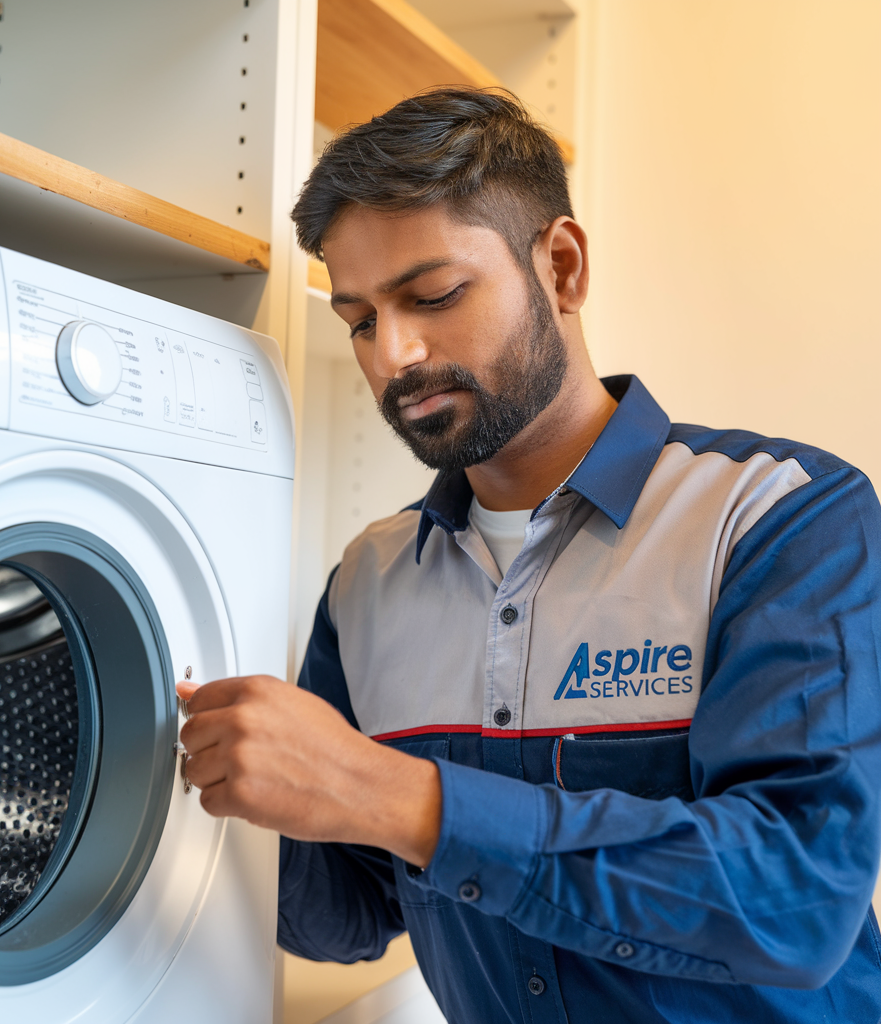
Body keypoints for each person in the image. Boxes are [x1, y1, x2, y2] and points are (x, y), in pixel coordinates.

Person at [175, 89, 881, 1022]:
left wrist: (394, 795)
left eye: (432, 296)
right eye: (357, 319)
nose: (393, 354)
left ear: (562, 266)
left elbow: (792, 898)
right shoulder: (369, 580)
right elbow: (340, 919)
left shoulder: (775, 515)